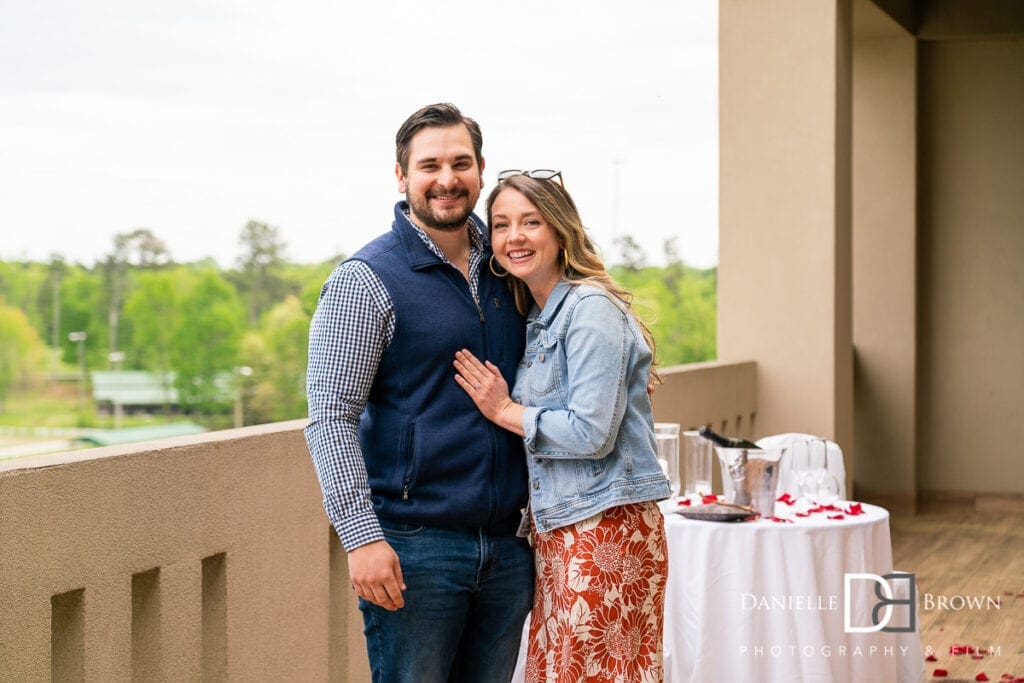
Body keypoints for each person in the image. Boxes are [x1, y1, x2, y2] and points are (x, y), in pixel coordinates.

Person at [304, 103, 534, 682]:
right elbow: (330, 418)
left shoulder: (510, 268)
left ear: (482, 170)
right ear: (402, 176)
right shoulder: (366, 280)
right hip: (416, 548)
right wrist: (361, 539)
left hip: (509, 548)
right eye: (429, 165)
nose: (447, 179)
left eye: (461, 162)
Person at [453, 170, 672, 682]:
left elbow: (591, 433)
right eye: (502, 225)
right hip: (564, 528)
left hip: (605, 530)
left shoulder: (589, 308)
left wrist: (505, 411)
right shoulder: (542, 313)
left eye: (531, 222)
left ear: (560, 230)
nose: (515, 237)